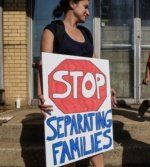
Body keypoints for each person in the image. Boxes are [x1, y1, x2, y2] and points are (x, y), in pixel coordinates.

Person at [36, 0, 116, 166]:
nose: (88, 12)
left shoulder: (86, 33)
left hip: (87, 100)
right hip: (64, 102)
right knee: (67, 150)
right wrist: (40, 94)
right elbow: (43, 65)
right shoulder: (52, 30)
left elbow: (94, 65)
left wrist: (106, 87)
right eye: (85, 7)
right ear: (72, 4)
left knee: (95, 142)